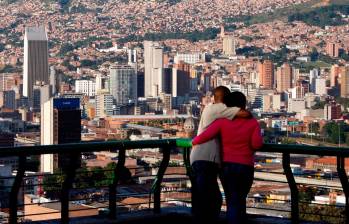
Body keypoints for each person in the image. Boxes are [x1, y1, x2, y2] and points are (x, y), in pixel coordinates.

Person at [192, 91, 263, 224]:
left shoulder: (222, 122)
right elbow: (257, 144)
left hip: (227, 167)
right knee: (240, 199)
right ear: (243, 104)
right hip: (245, 166)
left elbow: (204, 136)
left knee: (231, 199)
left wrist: (193, 142)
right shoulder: (253, 123)